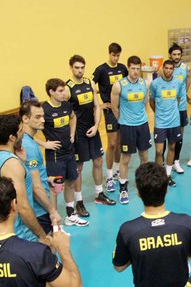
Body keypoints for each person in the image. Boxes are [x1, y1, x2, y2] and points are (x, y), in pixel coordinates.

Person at [19, 100, 89, 287]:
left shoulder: (19, 147)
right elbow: (35, 188)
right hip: (38, 214)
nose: (43, 120)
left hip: (33, 214)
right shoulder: (29, 147)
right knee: (46, 272)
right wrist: (52, 210)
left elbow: (31, 178)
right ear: (25, 119)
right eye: (37, 117)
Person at [0, 114, 50, 245]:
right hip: (22, 235)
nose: (24, 132)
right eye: (20, 130)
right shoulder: (12, 164)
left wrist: (21, 161)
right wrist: (42, 237)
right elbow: (22, 207)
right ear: (12, 138)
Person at [67, 54, 116, 215]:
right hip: (79, 133)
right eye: (77, 68)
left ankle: (98, 193)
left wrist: (96, 126)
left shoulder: (89, 83)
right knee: (79, 167)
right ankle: (79, 201)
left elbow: (97, 106)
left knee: (98, 161)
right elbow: (68, 114)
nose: (80, 71)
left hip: (92, 130)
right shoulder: (68, 89)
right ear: (71, 68)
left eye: (82, 67)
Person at [42, 78, 88, 227]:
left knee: (70, 182)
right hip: (55, 156)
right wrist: (44, 143)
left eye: (64, 90)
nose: (64, 93)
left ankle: (70, 215)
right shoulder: (44, 110)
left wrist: (73, 133)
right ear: (51, 92)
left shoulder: (67, 106)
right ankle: (54, 220)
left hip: (69, 152)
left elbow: (73, 117)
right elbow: (27, 130)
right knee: (55, 189)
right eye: (60, 91)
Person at [110, 55, 152, 204]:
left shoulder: (144, 83)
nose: (135, 71)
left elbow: (145, 103)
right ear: (128, 67)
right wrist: (123, 120)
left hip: (143, 125)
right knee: (125, 159)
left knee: (144, 157)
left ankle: (144, 185)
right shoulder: (119, 85)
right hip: (127, 126)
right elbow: (114, 107)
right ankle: (123, 189)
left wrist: (141, 117)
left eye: (137, 68)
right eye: (132, 68)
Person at [93, 42, 128, 192]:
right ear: (109, 54)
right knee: (112, 143)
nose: (116, 58)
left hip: (123, 109)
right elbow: (90, 86)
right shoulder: (101, 69)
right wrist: (99, 105)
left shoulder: (122, 68)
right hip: (109, 111)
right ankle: (108, 176)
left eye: (118, 55)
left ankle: (116, 170)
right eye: (114, 55)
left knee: (120, 142)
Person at [149, 60, 186, 188]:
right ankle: (159, 176)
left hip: (174, 122)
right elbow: (151, 102)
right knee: (159, 151)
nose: (169, 70)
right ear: (162, 68)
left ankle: (168, 175)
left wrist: (171, 112)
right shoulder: (155, 84)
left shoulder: (178, 83)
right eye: (166, 68)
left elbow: (179, 99)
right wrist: (159, 113)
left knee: (171, 148)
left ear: (173, 70)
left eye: (171, 68)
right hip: (160, 123)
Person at [167, 43, 189, 174]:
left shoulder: (186, 68)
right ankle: (166, 161)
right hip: (167, 109)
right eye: (174, 54)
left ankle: (176, 161)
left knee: (179, 135)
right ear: (170, 55)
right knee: (166, 136)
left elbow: (186, 85)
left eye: (178, 54)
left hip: (181, 108)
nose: (176, 56)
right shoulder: (165, 68)